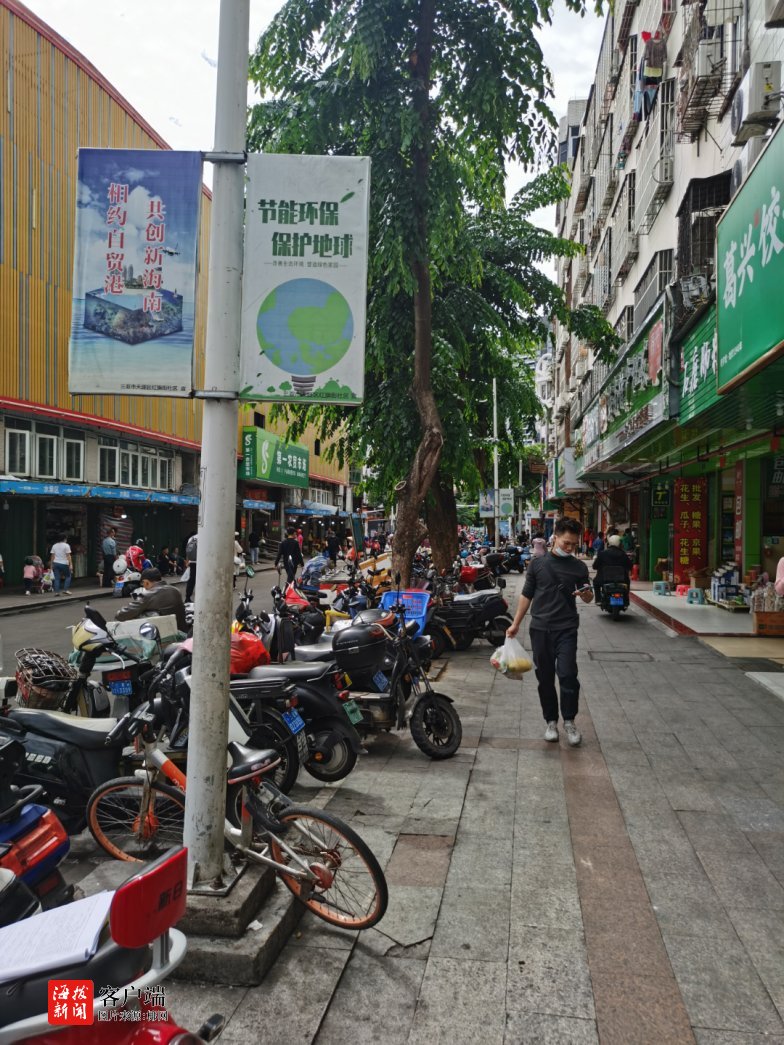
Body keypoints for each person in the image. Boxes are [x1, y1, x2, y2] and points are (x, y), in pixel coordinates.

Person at [506, 517, 593, 747]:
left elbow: (588, 595)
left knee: (567, 674)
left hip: (567, 629)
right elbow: (526, 595)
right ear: (555, 538)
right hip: (540, 629)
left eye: (574, 544)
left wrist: (586, 595)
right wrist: (515, 624)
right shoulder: (537, 564)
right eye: (566, 543)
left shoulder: (579, 567)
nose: (570, 548)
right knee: (544, 678)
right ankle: (551, 722)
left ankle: (569, 721)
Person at [116, 567, 187, 632]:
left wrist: (118, 612)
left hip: (161, 634)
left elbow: (123, 614)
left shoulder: (147, 595)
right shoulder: (176, 590)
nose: (143, 586)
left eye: (143, 583)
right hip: (181, 631)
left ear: (146, 582)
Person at [593, 534, 631, 602]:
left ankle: (598, 600)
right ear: (619, 544)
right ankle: (626, 599)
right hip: (621, 580)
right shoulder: (623, 554)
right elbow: (630, 566)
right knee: (627, 582)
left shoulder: (602, 553)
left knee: (595, 583)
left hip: (603, 580)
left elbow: (595, 566)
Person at [184, 532, 198, 603]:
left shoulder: (191, 538)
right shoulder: (204, 536)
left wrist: (187, 561)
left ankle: (187, 597)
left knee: (191, 580)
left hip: (192, 562)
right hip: (201, 562)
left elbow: (187, 551)